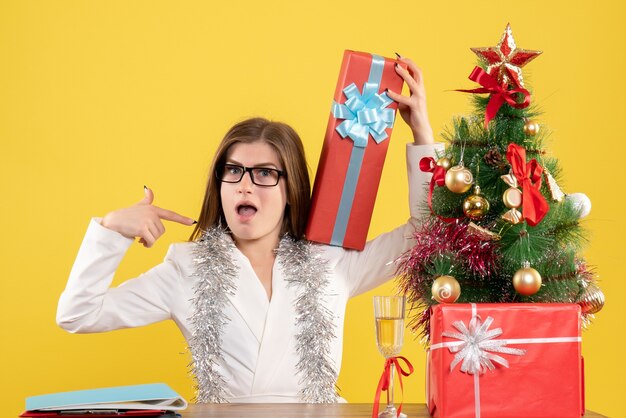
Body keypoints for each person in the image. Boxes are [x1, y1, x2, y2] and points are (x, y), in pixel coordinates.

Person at [56, 57, 443, 403]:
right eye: (233, 170)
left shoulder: (331, 260)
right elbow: (78, 314)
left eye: (264, 174)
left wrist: (422, 135)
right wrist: (112, 230)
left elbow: (426, 234)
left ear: (290, 190)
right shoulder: (185, 268)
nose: (244, 184)